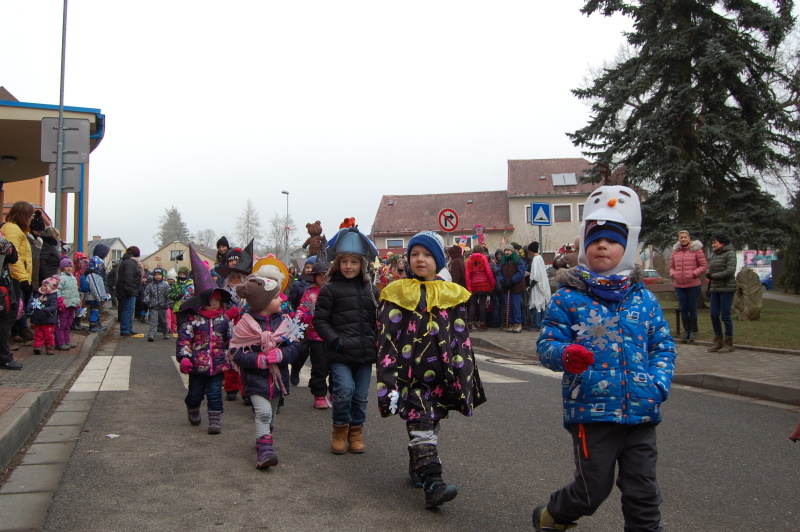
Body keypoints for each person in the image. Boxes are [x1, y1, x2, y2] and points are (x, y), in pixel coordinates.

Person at [533, 185, 676, 532]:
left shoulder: (644, 299)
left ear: (626, 248)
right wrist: (566, 354)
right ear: (585, 245)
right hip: (592, 412)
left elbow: (662, 346)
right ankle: (553, 515)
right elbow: (547, 343)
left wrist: (658, 384)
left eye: (612, 240)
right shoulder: (568, 298)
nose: (602, 246)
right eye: (595, 240)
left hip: (641, 412)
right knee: (591, 491)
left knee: (643, 493)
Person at [376, 230, 486, 508]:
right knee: (422, 421)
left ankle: (419, 465)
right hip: (410, 374)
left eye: (427, 254)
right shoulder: (398, 292)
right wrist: (388, 378)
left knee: (431, 423)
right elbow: (387, 338)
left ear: (438, 260)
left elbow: (460, 336)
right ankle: (434, 483)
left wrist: (464, 373)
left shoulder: (452, 293)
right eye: (414, 254)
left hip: (441, 373)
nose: (420, 259)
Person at [312, 226, 379, 455]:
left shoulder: (371, 290)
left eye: (354, 262)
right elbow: (320, 321)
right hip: (340, 352)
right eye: (344, 261)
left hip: (365, 354)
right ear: (337, 263)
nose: (349, 266)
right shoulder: (329, 289)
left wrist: (378, 341)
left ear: (362, 264)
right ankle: (340, 430)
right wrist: (335, 341)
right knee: (343, 392)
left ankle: (356, 432)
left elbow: (380, 320)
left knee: (360, 397)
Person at [231, 273, 301, 469]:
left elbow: (296, 345)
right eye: (276, 297)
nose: (282, 300)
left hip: (278, 379)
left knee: (271, 415)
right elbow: (235, 352)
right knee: (262, 413)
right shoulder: (244, 324)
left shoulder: (286, 321)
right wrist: (257, 359)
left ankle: (263, 439)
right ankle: (265, 452)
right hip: (255, 378)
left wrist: (282, 354)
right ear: (264, 302)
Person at [176, 248, 234, 435]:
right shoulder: (192, 321)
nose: (214, 303)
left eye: (217, 300)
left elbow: (230, 340)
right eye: (211, 300)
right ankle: (192, 407)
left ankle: (215, 419)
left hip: (218, 364)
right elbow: (184, 340)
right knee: (195, 394)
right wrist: (184, 358)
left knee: (215, 393)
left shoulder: (224, 320)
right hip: (197, 365)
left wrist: (233, 356)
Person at [295, 260, 331, 409]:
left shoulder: (336, 290)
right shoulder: (309, 293)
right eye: (320, 275)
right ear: (315, 276)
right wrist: (306, 317)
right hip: (316, 336)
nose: (323, 278)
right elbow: (300, 311)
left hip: (334, 335)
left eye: (326, 275)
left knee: (335, 367)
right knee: (319, 367)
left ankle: (335, 392)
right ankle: (319, 395)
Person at [3, 201, 35, 347]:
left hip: (16, 277)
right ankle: (5, 348)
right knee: (11, 314)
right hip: (14, 278)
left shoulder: (18, 230)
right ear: (24, 215)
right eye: (30, 215)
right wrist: (23, 279)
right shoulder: (13, 230)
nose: (32, 218)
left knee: (15, 312)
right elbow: (13, 257)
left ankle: (9, 343)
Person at [669, 230, 708, 342]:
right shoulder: (675, 252)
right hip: (679, 285)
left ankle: (693, 331)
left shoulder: (696, 250)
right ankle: (686, 330)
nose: (683, 239)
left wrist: (694, 273)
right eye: (681, 237)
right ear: (679, 239)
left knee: (692, 307)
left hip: (693, 284)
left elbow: (704, 265)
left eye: (685, 237)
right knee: (683, 308)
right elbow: (671, 267)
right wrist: (673, 274)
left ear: (689, 238)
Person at [707, 233, 737, 353]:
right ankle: (718, 340)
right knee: (714, 315)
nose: (713, 245)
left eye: (715, 242)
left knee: (725, 315)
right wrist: (708, 273)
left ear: (722, 243)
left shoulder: (730, 253)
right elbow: (710, 267)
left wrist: (713, 276)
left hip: (726, 288)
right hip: (715, 288)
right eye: (712, 242)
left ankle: (729, 342)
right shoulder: (715, 254)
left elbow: (730, 271)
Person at [0, 235, 23, 370]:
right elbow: (13, 256)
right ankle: (5, 359)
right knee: (5, 322)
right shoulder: (2, 241)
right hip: (2, 288)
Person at [26, 275, 59, 356]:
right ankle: (38, 346)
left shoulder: (53, 296)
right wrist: (30, 307)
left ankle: (49, 346)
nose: (42, 287)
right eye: (42, 285)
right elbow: (33, 302)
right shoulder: (38, 295)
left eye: (45, 285)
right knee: (38, 334)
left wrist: (47, 309)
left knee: (48, 335)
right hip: (38, 318)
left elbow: (54, 306)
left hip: (48, 319)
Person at [497, 243, 526, 333]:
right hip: (507, 286)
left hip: (516, 286)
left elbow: (521, 273)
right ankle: (511, 323)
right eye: (505, 250)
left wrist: (512, 280)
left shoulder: (518, 260)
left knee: (516, 305)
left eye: (508, 250)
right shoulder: (503, 261)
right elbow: (500, 272)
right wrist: (502, 281)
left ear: (512, 251)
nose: (507, 252)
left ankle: (518, 323)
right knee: (508, 305)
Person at [465, 244, 494, 331]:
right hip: (484, 284)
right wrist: (492, 283)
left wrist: (469, 287)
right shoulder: (483, 258)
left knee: (472, 305)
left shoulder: (469, 259)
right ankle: (482, 324)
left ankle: (470, 324)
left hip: (473, 284)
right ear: (482, 251)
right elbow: (488, 271)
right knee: (482, 305)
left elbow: (467, 275)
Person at [116, 246, 143, 337]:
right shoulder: (130, 263)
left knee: (128, 310)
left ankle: (128, 328)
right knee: (128, 310)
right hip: (129, 291)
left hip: (126, 290)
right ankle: (125, 329)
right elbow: (129, 277)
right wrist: (130, 290)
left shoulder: (126, 261)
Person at [84, 244, 110, 333]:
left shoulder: (96, 273)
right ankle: (93, 325)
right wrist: (99, 297)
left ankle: (96, 323)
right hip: (93, 296)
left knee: (96, 310)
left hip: (95, 295)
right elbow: (94, 286)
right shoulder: (93, 274)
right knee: (94, 310)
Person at [55, 258, 80, 351]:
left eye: (70, 266)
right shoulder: (61, 278)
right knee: (61, 324)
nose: (69, 268)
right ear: (62, 268)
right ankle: (60, 342)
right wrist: (60, 302)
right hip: (64, 305)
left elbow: (75, 291)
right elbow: (58, 291)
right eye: (66, 266)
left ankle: (67, 340)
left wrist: (77, 301)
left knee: (68, 324)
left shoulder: (73, 278)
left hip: (72, 305)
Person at [527, 241, 551, 331]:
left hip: (537, 286)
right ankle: (541, 323)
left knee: (537, 304)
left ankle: (537, 324)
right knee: (542, 304)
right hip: (542, 285)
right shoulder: (540, 258)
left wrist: (530, 286)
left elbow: (536, 276)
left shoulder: (536, 259)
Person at [144, 268, 171, 341]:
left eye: (159, 275)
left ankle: (165, 332)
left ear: (162, 276)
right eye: (156, 275)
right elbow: (147, 294)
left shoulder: (165, 285)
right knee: (153, 321)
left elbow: (168, 295)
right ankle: (152, 334)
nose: (157, 276)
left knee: (163, 321)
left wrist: (169, 303)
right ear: (153, 276)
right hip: (153, 307)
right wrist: (147, 301)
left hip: (163, 307)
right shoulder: (150, 286)